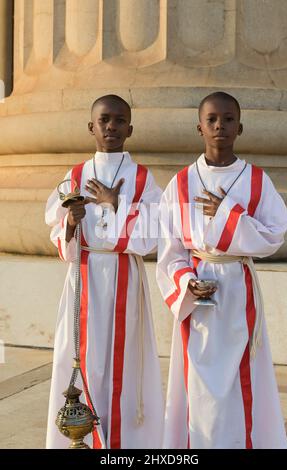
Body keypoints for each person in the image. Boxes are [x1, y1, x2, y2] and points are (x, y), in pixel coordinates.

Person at [156, 91, 287, 449]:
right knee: (201, 386)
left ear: (240, 127)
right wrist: (186, 281)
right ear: (199, 127)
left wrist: (228, 213)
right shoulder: (181, 183)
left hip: (238, 288)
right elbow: (170, 248)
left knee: (241, 379)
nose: (220, 126)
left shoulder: (257, 180)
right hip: (198, 293)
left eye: (228, 119)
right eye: (212, 119)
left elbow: (274, 235)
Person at [45, 94, 164, 449]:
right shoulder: (76, 175)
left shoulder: (142, 179)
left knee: (123, 365)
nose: (111, 126)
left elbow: (153, 234)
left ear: (130, 128)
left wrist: (116, 205)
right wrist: (70, 222)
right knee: (82, 359)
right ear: (91, 127)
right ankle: (79, 438)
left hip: (125, 278)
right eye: (104, 120)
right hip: (85, 278)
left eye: (118, 120)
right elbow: (55, 225)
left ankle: (125, 445)